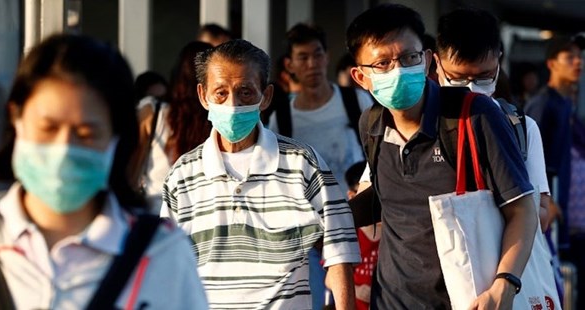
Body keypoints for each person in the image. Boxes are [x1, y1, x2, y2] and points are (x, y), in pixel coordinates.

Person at [0, 34, 207, 309]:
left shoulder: (163, 254)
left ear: (116, 136)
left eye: (86, 134)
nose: (63, 149)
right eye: (48, 128)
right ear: (16, 117)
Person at [346, 4, 537, 308]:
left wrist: (505, 284)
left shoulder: (475, 115)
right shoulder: (370, 125)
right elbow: (388, 201)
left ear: (426, 59)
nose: (398, 71)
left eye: (408, 57)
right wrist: (325, 218)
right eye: (382, 63)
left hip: (468, 300)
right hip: (391, 300)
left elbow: (523, 210)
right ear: (360, 76)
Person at [161, 39, 360, 309]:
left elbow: (340, 253)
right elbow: (171, 268)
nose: (232, 104)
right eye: (220, 93)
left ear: (265, 96)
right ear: (203, 96)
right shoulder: (181, 177)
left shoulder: (302, 163)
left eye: (245, 92)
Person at [434, 6, 563, 305]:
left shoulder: (521, 127)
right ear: (436, 64)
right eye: (457, 77)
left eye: (483, 77)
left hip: (501, 288)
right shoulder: (414, 125)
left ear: (499, 62)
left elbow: (539, 214)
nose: (470, 89)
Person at [268, 23, 374, 195]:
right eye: (303, 57)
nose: (312, 64)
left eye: (317, 54)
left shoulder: (356, 100)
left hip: (358, 212)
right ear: (289, 65)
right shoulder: (281, 118)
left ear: (327, 56)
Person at [525, 33, 585, 308]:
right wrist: (545, 199)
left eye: (579, 56)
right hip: (547, 213)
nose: (578, 62)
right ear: (551, 63)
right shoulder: (542, 104)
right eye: (569, 57)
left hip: (566, 215)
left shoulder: (565, 104)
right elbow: (527, 157)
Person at [132, 41, 213, 212]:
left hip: (158, 217)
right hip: (205, 218)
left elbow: (131, 174)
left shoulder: (153, 112)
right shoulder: (220, 118)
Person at [345, 161, 380, 310]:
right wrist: (357, 291)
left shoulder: (396, 233)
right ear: (352, 196)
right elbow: (331, 278)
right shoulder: (350, 235)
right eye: (365, 196)